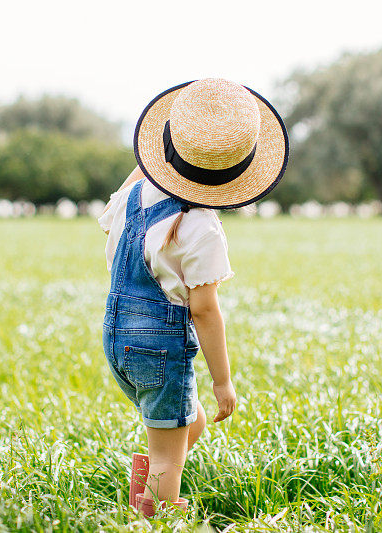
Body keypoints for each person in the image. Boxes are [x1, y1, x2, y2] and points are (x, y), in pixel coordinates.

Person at [98, 78, 289, 518]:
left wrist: (151, 163)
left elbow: (111, 222)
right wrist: (223, 381)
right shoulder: (202, 227)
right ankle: (154, 515)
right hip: (159, 349)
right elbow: (204, 310)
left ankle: (144, 484)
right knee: (172, 453)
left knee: (189, 420)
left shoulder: (130, 197)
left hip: (117, 340)